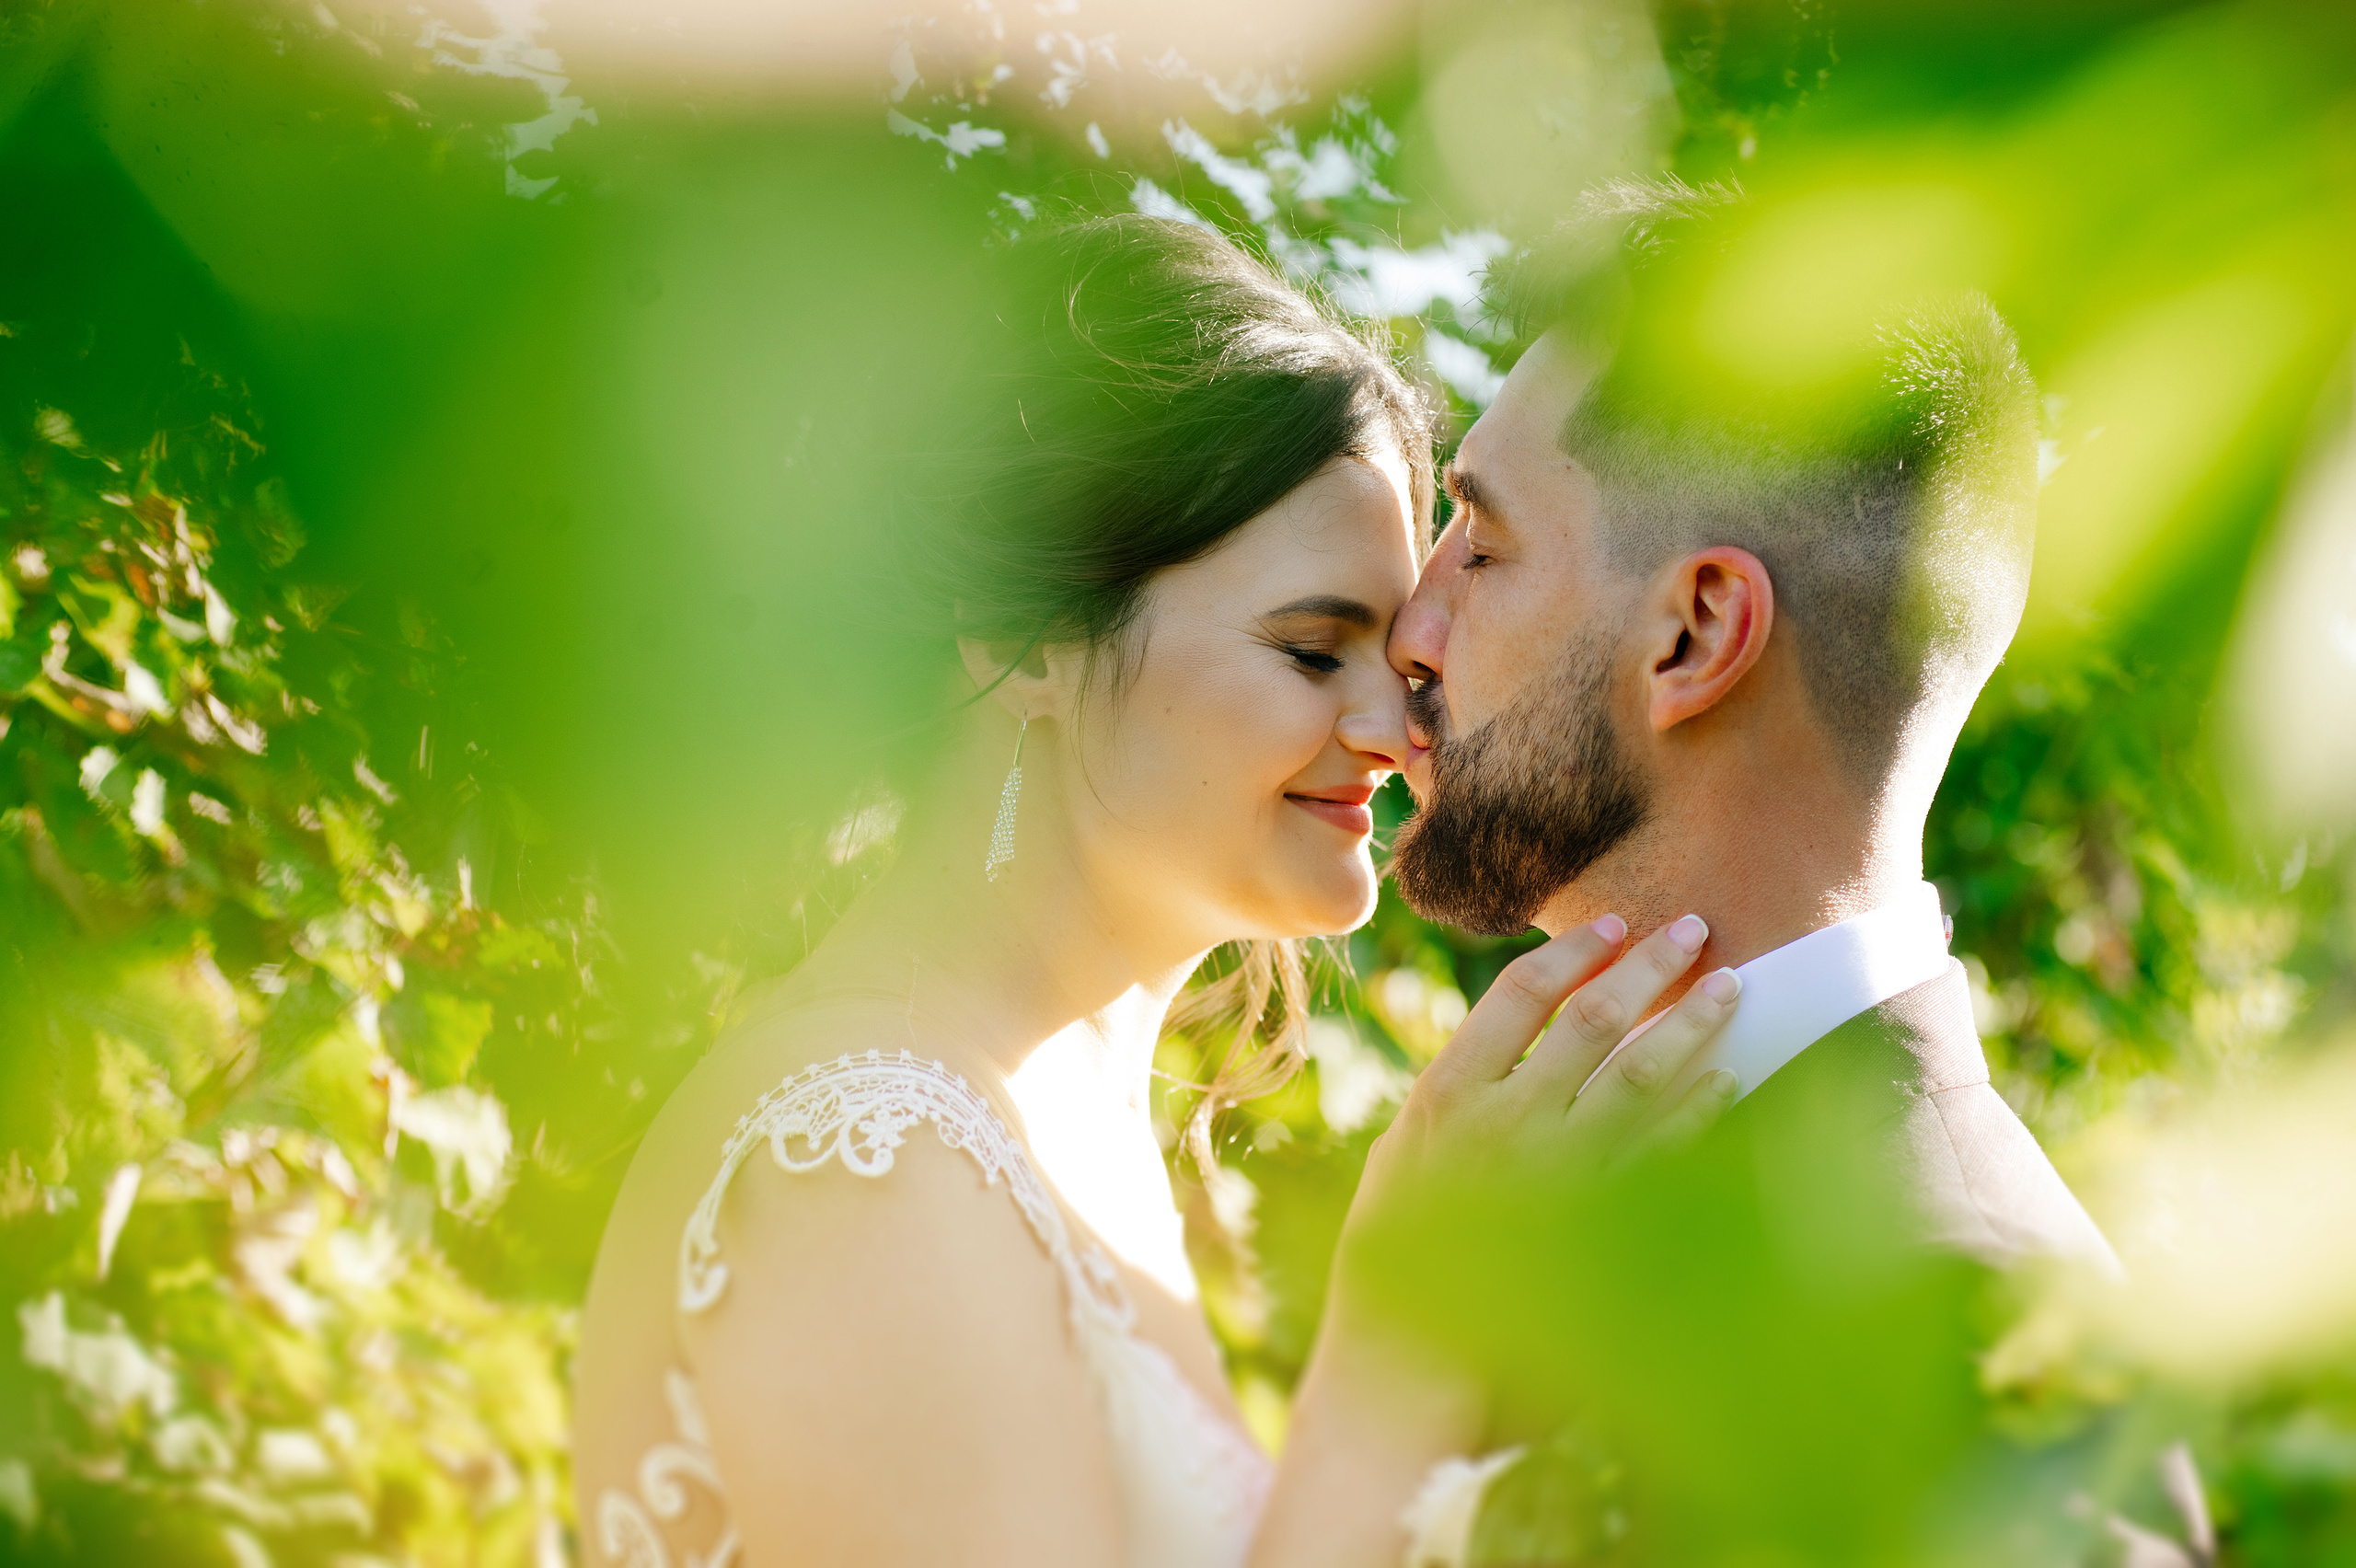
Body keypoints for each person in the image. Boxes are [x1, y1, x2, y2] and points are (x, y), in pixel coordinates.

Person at [572, 216, 1746, 1568]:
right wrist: (1394, 1354)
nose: (1396, 726)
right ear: (1024, 645)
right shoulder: (863, 1156)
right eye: (1313, 651)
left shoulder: (1044, 1124)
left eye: (1407, 662)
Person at [1255, 180, 2121, 1568]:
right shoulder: (1553, 1167)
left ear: (1695, 635)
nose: (1409, 629)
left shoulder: (1959, 1356)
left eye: (1482, 543)